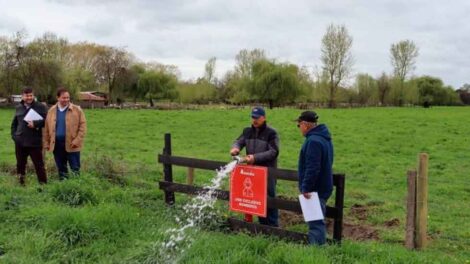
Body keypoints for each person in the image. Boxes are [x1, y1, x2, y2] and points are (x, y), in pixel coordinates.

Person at [230, 106, 280, 227]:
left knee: (269, 199)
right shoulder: (247, 131)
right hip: (251, 173)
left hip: (268, 173)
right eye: (253, 117)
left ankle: (272, 227)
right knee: (253, 199)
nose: (254, 120)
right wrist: (236, 148)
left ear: (264, 118)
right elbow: (239, 141)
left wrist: (255, 158)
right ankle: (254, 227)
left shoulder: (271, 133)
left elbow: (274, 152)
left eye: (257, 118)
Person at [296, 110, 334, 245]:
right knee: (317, 220)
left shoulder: (313, 141)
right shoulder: (324, 138)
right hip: (323, 186)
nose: (299, 127)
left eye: (299, 124)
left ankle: (316, 252)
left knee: (315, 223)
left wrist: (306, 188)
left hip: (314, 190)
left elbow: (313, 167)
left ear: (305, 125)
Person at [44, 88, 87, 180]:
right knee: (61, 169)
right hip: (57, 145)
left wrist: (77, 140)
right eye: (64, 98)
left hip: (72, 145)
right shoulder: (51, 111)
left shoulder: (77, 110)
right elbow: (47, 128)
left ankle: (77, 188)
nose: (66, 100)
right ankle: (64, 187)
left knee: (75, 169)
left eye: (68, 98)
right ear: (58, 98)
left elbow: (82, 127)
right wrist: (47, 143)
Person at [11, 87, 48, 185]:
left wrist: (35, 124)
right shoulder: (18, 107)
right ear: (22, 96)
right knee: (20, 164)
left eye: (31, 95)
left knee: (39, 165)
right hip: (20, 142)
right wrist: (14, 137)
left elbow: (47, 122)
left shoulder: (41, 106)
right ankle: (21, 183)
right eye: (27, 95)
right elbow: (14, 124)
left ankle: (43, 185)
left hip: (34, 141)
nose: (29, 97)